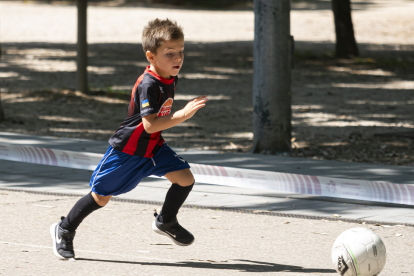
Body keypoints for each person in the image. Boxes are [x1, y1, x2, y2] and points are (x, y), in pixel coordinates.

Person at [50, 18, 208, 259]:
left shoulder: (169, 76)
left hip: (153, 146)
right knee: (100, 197)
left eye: (181, 52)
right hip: (128, 150)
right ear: (151, 56)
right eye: (170, 53)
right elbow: (150, 124)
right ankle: (64, 229)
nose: (177, 58)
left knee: (185, 179)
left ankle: (166, 221)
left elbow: (154, 128)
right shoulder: (149, 84)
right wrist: (182, 115)